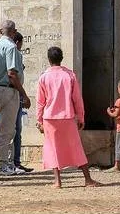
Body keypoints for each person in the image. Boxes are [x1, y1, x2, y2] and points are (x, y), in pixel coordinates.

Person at [36, 47, 101, 188]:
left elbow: (40, 102)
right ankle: (88, 179)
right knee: (76, 147)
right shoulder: (69, 75)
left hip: (50, 118)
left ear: (49, 59)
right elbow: (77, 99)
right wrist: (81, 117)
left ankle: (57, 181)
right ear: (62, 58)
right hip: (67, 117)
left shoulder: (44, 77)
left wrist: (39, 120)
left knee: (52, 148)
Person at [0, 20, 31, 176]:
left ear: (0, 31)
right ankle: (1, 164)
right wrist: (23, 94)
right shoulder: (11, 47)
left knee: (4, 128)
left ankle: (3, 163)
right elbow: (12, 73)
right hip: (7, 89)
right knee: (7, 129)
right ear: (14, 31)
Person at [10, 32, 33, 173]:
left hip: (13, 94)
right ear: (18, 42)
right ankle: (14, 163)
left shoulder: (14, 54)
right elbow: (13, 75)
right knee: (15, 130)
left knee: (12, 129)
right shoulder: (15, 53)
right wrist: (23, 94)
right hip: (14, 94)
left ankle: (13, 162)